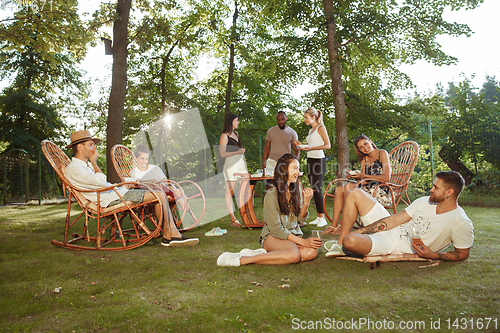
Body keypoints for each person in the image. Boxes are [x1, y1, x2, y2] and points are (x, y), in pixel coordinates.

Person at [64, 130, 198, 247]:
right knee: (159, 194)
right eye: (91, 144)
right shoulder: (75, 168)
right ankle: (171, 236)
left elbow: (100, 184)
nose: (94, 148)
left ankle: (170, 236)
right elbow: (100, 182)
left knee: (158, 194)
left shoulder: (83, 166)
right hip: (111, 199)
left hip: (116, 193)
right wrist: (94, 162)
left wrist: (122, 185)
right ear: (80, 147)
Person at [325, 171, 473, 261]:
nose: (431, 189)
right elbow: (394, 219)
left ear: (449, 193)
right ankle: (339, 245)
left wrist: (433, 255)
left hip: (395, 246)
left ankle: (346, 244)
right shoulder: (424, 202)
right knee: (354, 193)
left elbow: (462, 253)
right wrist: (361, 230)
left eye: (436, 187)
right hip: (392, 228)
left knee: (350, 240)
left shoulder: (460, 221)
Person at [216, 154, 321, 266]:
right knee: (294, 255)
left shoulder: (296, 192)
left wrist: (306, 202)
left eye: (298, 169)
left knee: (311, 252)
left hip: (291, 237)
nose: (298, 172)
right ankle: (243, 259)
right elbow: (276, 229)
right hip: (273, 236)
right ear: (283, 169)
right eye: (295, 168)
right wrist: (303, 242)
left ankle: (268, 254)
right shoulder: (272, 195)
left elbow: (300, 218)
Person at [323, 134, 390, 234]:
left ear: (370, 141)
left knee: (349, 186)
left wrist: (364, 176)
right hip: (368, 189)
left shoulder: (382, 153)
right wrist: (357, 177)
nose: (365, 148)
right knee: (339, 189)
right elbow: (363, 182)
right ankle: (334, 224)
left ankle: (343, 224)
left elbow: (387, 178)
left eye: (366, 143)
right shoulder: (364, 160)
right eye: (361, 147)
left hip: (381, 191)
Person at [294, 107, 331, 228]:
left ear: (313, 117)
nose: (304, 119)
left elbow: (327, 145)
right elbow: (311, 145)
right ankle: (319, 216)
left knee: (317, 187)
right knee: (313, 188)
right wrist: (301, 145)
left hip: (319, 160)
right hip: (310, 159)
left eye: (306, 117)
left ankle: (323, 217)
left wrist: (310, 148)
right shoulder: (311, 131)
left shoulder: (321, 128)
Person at [219, 113, 247, 227]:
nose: (238, 122)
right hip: (231, 166)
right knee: (230, 192)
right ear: (231, 122)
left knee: (245, 190)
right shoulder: (224, 136)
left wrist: (240, 153)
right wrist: (238, 152)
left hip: (240, 165)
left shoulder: (236, 134)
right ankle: (233, 219)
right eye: (236, 120)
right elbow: (222, 154)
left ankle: (247, 217)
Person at [262, 111, 300, 176]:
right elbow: (267, 148)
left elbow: (297, 150)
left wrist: (293, 163)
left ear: (286, 118)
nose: (280, 122)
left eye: (282, 119)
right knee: (269, 184)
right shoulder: (270, 131)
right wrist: (263, 164)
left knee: (284, 184)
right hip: (271, 162)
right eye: (278, 120)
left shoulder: (292, 133)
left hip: (285, 163)